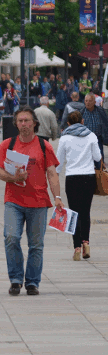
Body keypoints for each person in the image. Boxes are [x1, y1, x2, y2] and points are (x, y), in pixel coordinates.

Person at [0, 106, 63, 296]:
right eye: (20, 121)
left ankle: (32, 282)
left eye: (27, 121)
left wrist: (57, 197)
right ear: (16, 124)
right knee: (11, 238)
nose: (24, 124)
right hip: (13, 200)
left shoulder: (44, 146)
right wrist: (14, 178)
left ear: (34, 123)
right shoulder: (7, 145)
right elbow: (0, 172)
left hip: (39, 202)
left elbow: (52, 173)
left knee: (36, 245)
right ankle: (16, 279)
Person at [56, 111, 102, 261]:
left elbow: (59, 163)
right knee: (85, 212)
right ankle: (86, 243)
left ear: (68, 123)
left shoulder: (64, 138)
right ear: (82, 121)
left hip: (72, 178)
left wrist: (54, 175)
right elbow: (97, 157)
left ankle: (76, 248)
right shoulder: (91, 136)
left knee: (73, 213)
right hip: (88, 177)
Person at [78, 93, 108, 164]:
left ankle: (99, 172)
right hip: (85, 140)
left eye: (90, 101)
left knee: (99, 160)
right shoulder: (81, 112)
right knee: (86, 161)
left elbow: (106, 123)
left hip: (98, 139)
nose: (87, 103)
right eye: (86, 100)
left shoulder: (100, 111)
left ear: (94, 102)